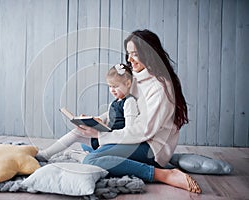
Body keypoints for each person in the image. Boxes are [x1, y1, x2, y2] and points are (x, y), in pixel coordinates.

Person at [75, 29, 201, 193]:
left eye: (135, 54)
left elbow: (143, 131)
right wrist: (99, 121)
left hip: (150, 147)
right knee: (85, 145)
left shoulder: (160, 87)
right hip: (134, 138)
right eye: (128, 53)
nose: (129, 59)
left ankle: (162, 174)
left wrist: (101, 136)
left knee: (91, 160)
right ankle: (111, 155)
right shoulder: (134, 77)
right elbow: (124, 108)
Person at [36, 63, 139, 159]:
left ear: (128, 83)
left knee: (95, 159)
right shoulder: (116, 101)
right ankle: (46, 154)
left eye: (115, 86)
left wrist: (106, 138)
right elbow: (109, 115)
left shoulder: (129, 102)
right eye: (110, 86)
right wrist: (94, 120)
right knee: (77, 132)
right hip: (104, 139)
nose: (112, 90)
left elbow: (129, 130)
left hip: (114, 142)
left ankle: (75, 154)